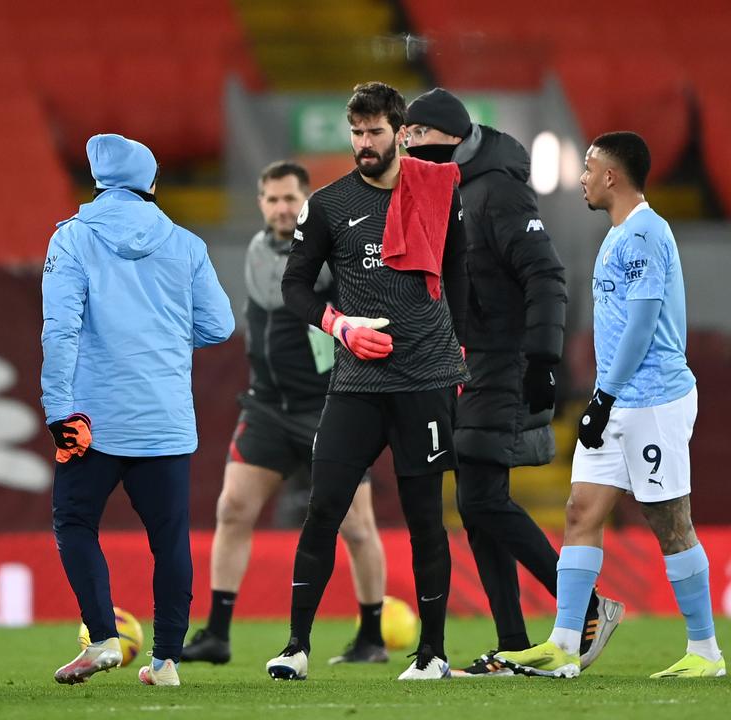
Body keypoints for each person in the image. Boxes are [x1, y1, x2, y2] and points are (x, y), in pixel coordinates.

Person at [405, 88, 623, 677]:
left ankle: (588, 608)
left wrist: (543, 360)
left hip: (500, 361)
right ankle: (514, 642)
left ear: (447, 139)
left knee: (480, 500)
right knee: (477, 505)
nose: (407, 149)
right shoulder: (447, 191)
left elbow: (546, 275)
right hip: (463, 363)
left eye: (414, 138)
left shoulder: (497, 191)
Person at [497, 132, 723, 679]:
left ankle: (706, 652)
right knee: (580, 511)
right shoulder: (620, 233)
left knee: (670, 522)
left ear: (612, 177)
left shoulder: (646, 233)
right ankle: (564, 643)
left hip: (653, 401)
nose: (581, 177)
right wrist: (604, 400)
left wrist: (603, 397)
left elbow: (643, 326)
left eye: (589, 167)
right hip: (619, 400)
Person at [266, 82, 468, 682]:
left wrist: (458, 347)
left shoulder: (439, 189)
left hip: (425, 379)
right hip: (356, 381)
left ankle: (432, 654)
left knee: (425, 518)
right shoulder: (326, 206)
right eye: (356, 133)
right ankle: (296, 647)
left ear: (401, 133)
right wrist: (339, 325)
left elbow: (457, 265)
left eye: (374, 132)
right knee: (324, 507)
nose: (363, 144)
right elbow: (295, 286)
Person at [44, 133, 235, 687]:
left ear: (100, 181)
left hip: (92, 419)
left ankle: (102, 638)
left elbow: (61, 331)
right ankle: (167, 661)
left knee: (75, 523)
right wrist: (166, 338)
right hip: (164, 418)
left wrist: (59, 410)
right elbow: (219, 325)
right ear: (151, 183)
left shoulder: (72, 240)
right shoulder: (187, 244)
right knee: (170, 539)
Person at [182, 161, 389, 667]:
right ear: (260, 203)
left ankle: (372, 637)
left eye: (290, 199)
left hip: (327, 406)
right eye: (272, 199)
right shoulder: (256, 251)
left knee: (357, 527)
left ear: (306, 200)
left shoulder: (330, 253)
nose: (281, 208)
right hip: (268, 407)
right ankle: (219, 634)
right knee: (232, 509)